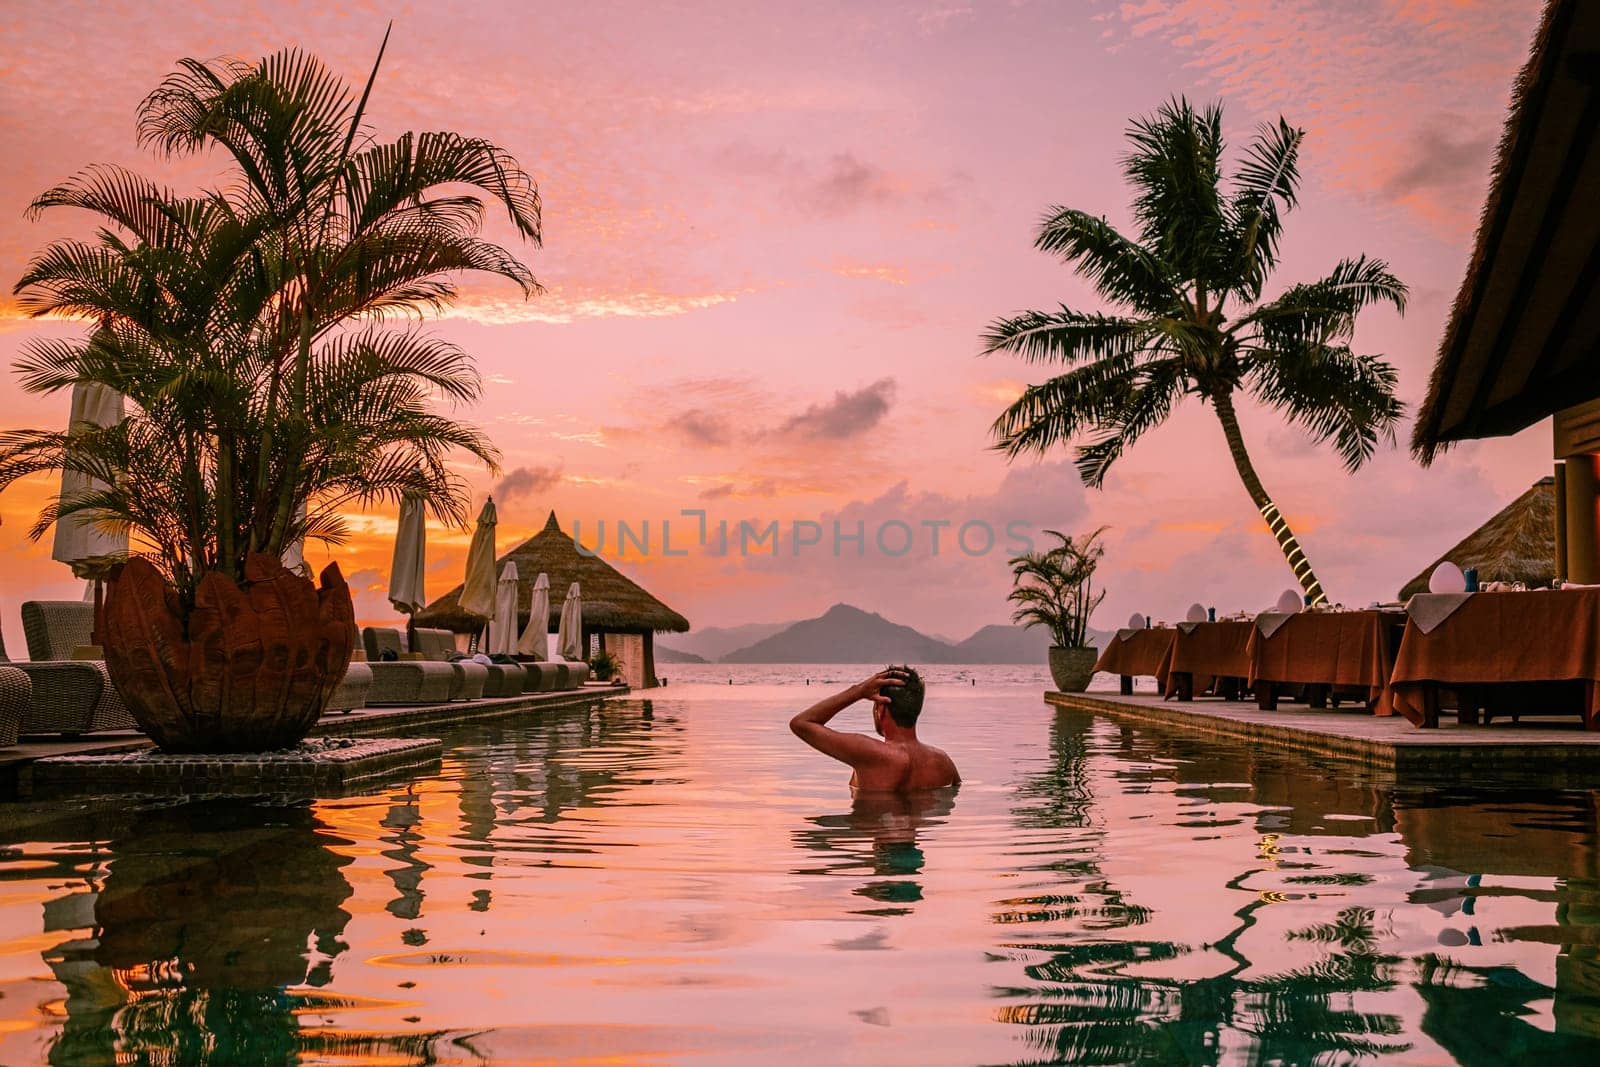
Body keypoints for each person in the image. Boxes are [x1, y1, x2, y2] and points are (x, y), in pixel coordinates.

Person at [789, 666, 959, 793]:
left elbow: (801, 723)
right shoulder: (944, 762)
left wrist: (858, 691)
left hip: (874, 828)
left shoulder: (871, 754)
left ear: (881, 708)